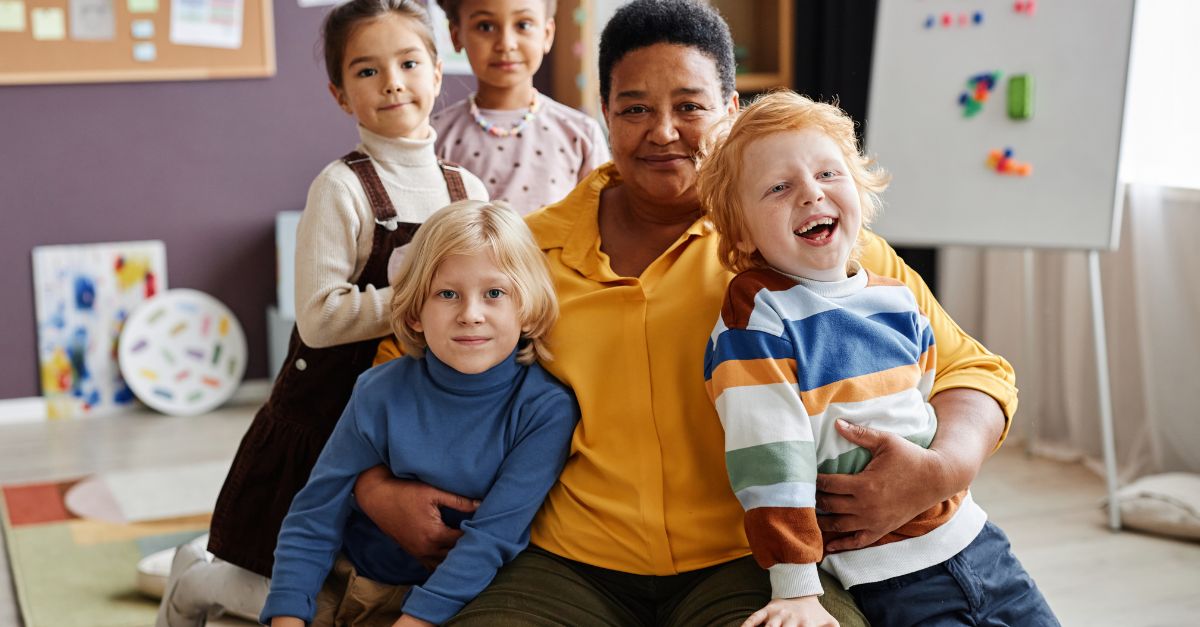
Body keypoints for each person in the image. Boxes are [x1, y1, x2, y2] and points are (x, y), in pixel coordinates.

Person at [362, 0, 1018, 624]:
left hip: (756, 560)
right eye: (636, 108)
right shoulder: (526, 248)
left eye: (690, 106)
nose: (663, 131)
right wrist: (375, 490)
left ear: (731, 109)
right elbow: (400, 364)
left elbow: (974, 371)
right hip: (567, 561)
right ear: (606, 114)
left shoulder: (806, 238)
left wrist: (940, 469)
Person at [154, 2, 489, 625]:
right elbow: (319, 317)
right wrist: (421, 304)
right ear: (340, 95)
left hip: (415, 410)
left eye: (409, 62)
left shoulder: (467, 189)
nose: (392, 81)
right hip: (331, 408)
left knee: (382, 579)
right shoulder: (342, 187)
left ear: (438, 72)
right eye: (367, 71)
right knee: (307, 589)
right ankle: (196, 580)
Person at [699, 91, 1057, 627]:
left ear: (860, 192)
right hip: (889, 576)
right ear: (742, 231)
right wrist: (796, 587)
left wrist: (937, 473)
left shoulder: (896, 294)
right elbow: (770, 457)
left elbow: (930, 401)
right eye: (779, 187)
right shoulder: (757, 316)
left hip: (978, 540)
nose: (810, 194)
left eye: (827, 173)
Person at [262, 200, 577, 627]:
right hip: (353, 581)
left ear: (528, 308)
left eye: (495, 294)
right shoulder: (379, 390)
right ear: (414, 313)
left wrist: (414, 621)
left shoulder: (545, 408)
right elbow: (315, 512)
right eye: (447, 294)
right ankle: (205, 582)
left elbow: (492, 539)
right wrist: (285, 617)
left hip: (460, 600)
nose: (471, 314)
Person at [431, 0, 610, 213]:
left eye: (523, 25)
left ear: (547, 34)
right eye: (485, 26)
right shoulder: (434, 135)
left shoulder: (581, 134)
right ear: (456, 36)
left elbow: (601, 222)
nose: (506, 43)